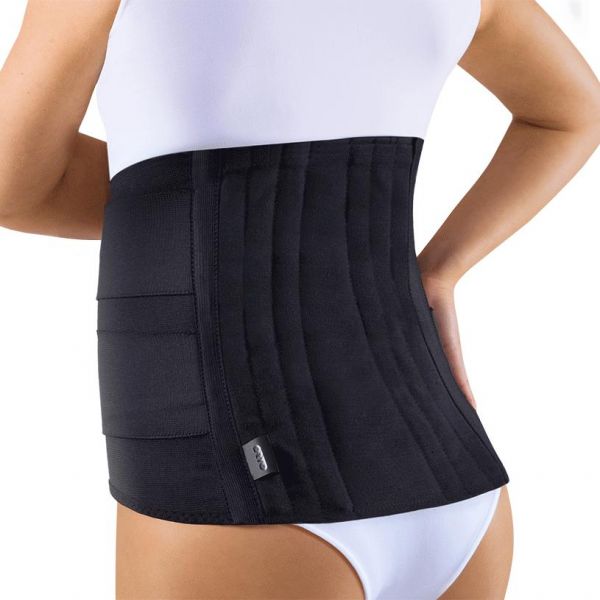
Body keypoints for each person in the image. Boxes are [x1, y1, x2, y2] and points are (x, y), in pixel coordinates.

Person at [0, 1, 598, 598]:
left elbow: (19, 186)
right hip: (451, 475)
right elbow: (573, 112)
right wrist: (441, 270)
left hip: (242, 492)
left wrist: (186, 197)